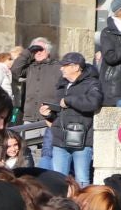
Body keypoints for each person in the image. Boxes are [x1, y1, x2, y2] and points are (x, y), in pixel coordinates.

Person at [41, 51, 101, 182]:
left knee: (82, 179)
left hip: (81, 140)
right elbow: (59, 112)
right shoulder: (62, 84)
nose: (61, 68)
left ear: (76, 67)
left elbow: (93, 103)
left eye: (65, 65)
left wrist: (69, 100)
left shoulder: (92, 83)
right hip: (60, 140)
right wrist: (49, 114)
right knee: (58, 179)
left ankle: (83, 203)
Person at [11, 37, 62, 158]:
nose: (38, 52)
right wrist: (27, 52)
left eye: (41, 50)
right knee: (28, 151)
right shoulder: (30, 67)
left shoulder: (56, 67)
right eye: (35, 50)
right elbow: (15, 70)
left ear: (48, 52)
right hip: (31, 117)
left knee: (49, 151)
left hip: (49, 117)